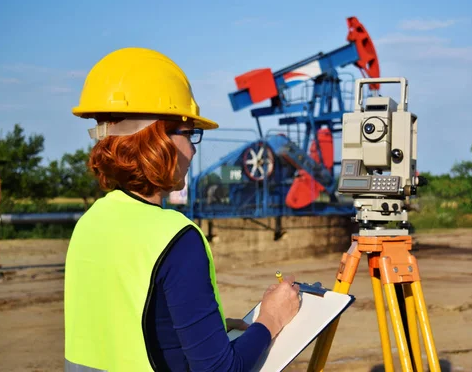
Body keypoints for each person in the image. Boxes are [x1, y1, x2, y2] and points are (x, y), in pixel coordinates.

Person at [64, 47, 301, 371]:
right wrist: (272, 318)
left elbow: (123, 324)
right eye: (189, 134)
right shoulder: (176, 239)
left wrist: (198, 332)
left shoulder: (90, 222)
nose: (191, 148)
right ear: (156, 139)